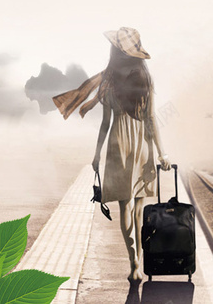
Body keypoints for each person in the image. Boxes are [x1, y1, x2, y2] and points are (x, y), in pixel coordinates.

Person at [53, 27, 171, 282]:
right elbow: (151, 120)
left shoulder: (109, 83)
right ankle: (140, 260)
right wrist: (162, 153)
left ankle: (134, 264)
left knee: (124, 208)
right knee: (140, 209)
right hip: (142, 146)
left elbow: (105, 124)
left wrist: (97, 155)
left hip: (118, 144)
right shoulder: (146, 81)